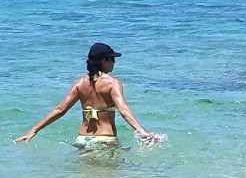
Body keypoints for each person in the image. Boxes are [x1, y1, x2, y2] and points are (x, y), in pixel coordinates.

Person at [15, 42, 165, 148]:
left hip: (82, 140)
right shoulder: (113, 83)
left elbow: (60, 110)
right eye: (112, 59)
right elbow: (124, 110)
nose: (114, 63)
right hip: (105, 140)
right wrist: (142, 132)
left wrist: (33, 130)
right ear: (105, 61)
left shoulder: (79, 83)